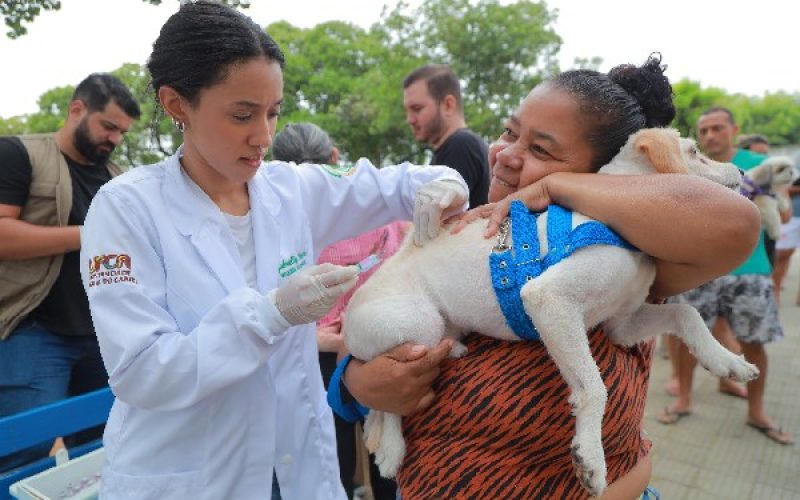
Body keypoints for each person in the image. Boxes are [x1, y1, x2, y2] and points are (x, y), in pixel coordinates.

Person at [78, 2, 468, 499]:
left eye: (273, 112)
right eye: (242, 114)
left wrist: (444, 187)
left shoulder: (289, 189)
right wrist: (272, 315)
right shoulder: (126, 210)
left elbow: (410, 182)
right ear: (177, 104)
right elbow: (142, 373)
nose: (264, 136)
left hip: (296, 464)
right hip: (194, 476)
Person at [334, 55, 761, 497]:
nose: (505, 154)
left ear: (603, 176)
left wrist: (555, 188)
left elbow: (738, 223)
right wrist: (358, 383)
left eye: (540, 149)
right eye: (509, 131)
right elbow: (354, 347)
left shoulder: (633, 247)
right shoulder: (462, 224)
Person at [0, 73, 140, 471]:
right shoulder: (17, 154)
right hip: (31, 332)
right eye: (108, 126)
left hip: (103, 334)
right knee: (23, 450)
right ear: (77, 109)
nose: (114, 139)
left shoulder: (118, 179)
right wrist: (89, 234)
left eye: (122, 133)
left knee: (109, 441)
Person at [272, 122, 404, 500]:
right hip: (380, 348)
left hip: (316, 356)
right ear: (334, 158)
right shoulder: (377, 212)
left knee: (332, 460)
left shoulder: (279, 222)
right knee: (389, 456)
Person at [659, 107, 793, 446]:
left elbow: (786, 213)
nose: (709, 136)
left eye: (717, 128)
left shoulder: (758, 162)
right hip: (699, 269)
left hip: (750, 271)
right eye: (703, 130)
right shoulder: (690, 163)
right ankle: (684, 399)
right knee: (690, 340)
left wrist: (766, 197)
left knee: (754, 343)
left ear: (734, 129)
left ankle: (757, 411)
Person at [403, 64, 490, 208]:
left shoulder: (460, 145)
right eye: (407, 111)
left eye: (417, 109)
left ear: (448, 105)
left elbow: (437, 221)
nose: (409, 120)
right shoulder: (456, 147)